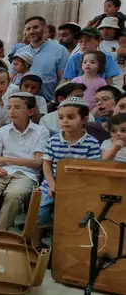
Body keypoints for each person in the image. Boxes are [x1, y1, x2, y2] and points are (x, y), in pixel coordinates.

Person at [0, 92, 49, 231]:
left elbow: (37, 163)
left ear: (30, 111)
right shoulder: (1, 132)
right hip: (2, 171)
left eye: (17, 107)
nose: (11, 111)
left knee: (15, 194)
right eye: (9, 107)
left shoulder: (41, 132)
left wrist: (6, 159)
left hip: (27, 174)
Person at [37, 97, 101, 228]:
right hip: (51, 185)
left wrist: (76, 187)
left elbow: (92, 170)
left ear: (84, 119)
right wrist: (52, 185)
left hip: (78, 187)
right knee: (39, 213)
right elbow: (46, 165)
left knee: (70, 216)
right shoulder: (53, 140)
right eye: (61, 117)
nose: (64, 121)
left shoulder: (92, 143)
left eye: (71, 117)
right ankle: (35, 243)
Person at [20, 16, 69, 101]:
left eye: (35, 27)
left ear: (45, 28)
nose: (31, 31)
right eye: (28, 29)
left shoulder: (60, 50)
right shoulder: (20, 52)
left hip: (49, 102)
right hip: (22, 102)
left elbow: (63, 79)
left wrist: (54, 101)